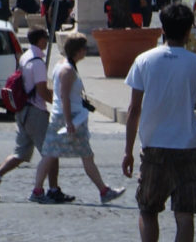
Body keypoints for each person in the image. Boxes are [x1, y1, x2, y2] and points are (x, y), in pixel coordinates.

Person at [123, 2, 196, 242]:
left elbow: (134, 109)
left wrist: (128, 151)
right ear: (189, 31)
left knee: (148, 209)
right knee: (185, 214)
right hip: (187, 147)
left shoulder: (144, 60)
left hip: (154, 147)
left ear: (162, 28)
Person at [33, 33, 127, 206]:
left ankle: (38, 190)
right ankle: (103, 191)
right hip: (70, 117)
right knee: (79, 154)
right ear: (78, 51)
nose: (86, 51)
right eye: (84, 48)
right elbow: (64, 96)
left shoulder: (62, 65)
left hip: (65, 115)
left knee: (53, 153)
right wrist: (69, 122)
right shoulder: (67, 70)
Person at [0, 26, 54, 202]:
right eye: (45, 38)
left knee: (21, 153)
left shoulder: (25, 57)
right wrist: (59, 101)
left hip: (22, 110)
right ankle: (52, 190)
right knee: (51, 152)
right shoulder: (37, 62)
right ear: (40, 40)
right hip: (35, 111)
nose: (47, 41)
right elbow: (42, 91)